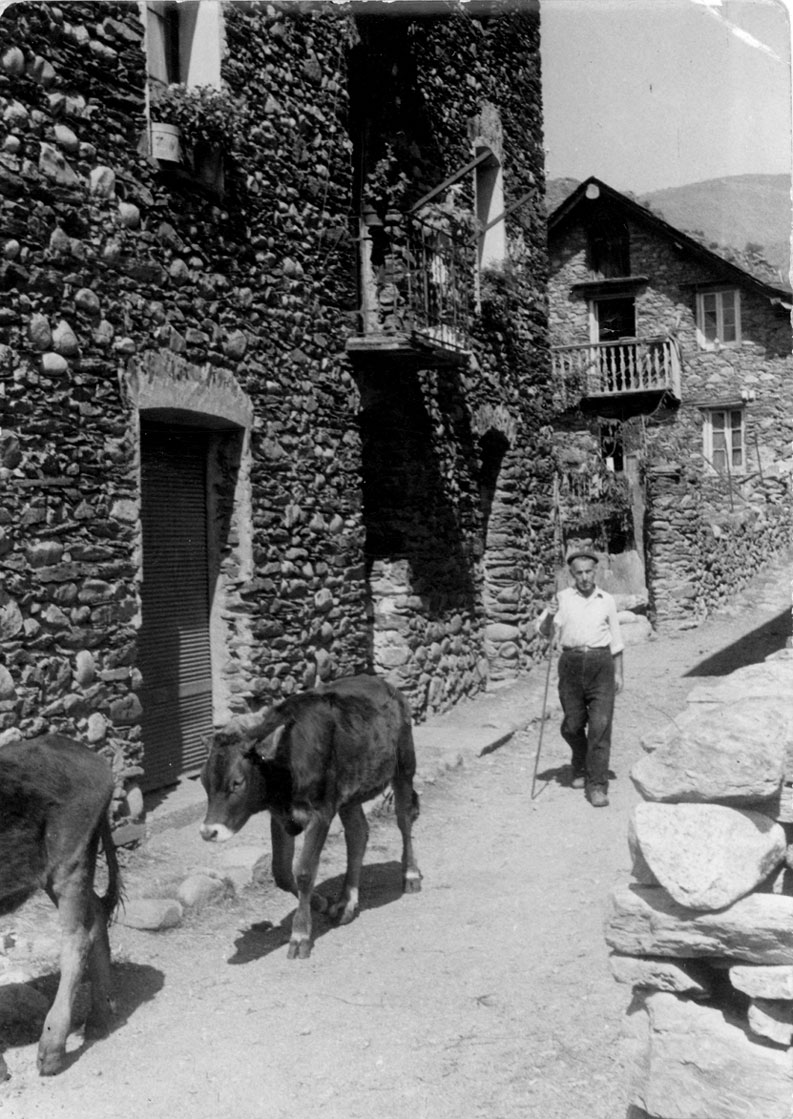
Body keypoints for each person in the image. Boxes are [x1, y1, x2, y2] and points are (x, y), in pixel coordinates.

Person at [536, 550, 624, 808]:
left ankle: (596, 784)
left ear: (595, 571)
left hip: (601, 664)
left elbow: (616, 640)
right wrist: (550, 614)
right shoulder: (560, 599)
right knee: (573, 726)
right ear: (571, 575)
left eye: (589, 572)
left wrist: (619, 672)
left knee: (600, 725)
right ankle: (580, 757)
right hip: (571, 665)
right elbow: (543, 632)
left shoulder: (606, 599)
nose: (584, 577)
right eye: (579, 573)